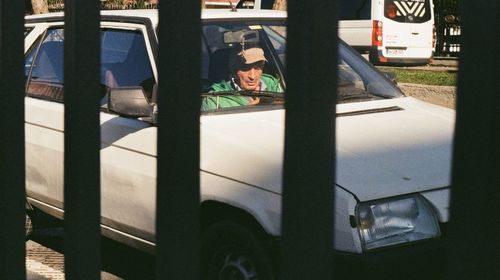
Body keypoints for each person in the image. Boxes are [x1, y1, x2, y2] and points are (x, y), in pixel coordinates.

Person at [201, 47, 283, 111]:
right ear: (234, 69)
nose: (252, 76)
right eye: (245, 68)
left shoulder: (274, 85)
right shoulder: (215, 100)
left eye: (257, 68)